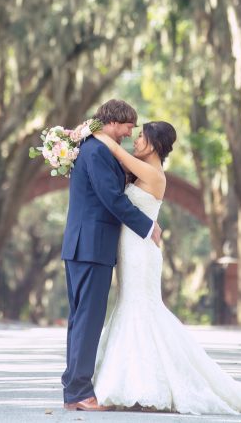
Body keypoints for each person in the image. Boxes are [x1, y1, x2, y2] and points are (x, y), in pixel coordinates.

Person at [89, 120, 241, 417]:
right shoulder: (140, 171)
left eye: (140, 137)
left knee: (141, 309)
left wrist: (92, 132)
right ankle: (133, 384)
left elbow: (116, 154)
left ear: (154, 144)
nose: (134, 141)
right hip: (130, 248)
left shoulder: (153, 172)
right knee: (130, 306)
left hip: (141, 254)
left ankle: (144, 387)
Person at [60, 99, 163, 412]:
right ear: (114, 122)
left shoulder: (93, 147)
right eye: (129, 126)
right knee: (88, 321)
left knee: (81, 320)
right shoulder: (97, 151)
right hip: (91, 247)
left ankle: (74, 389)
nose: (131, 133)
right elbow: (112, 200)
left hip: (83, 246)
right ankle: (78, 392)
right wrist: (149, 227)